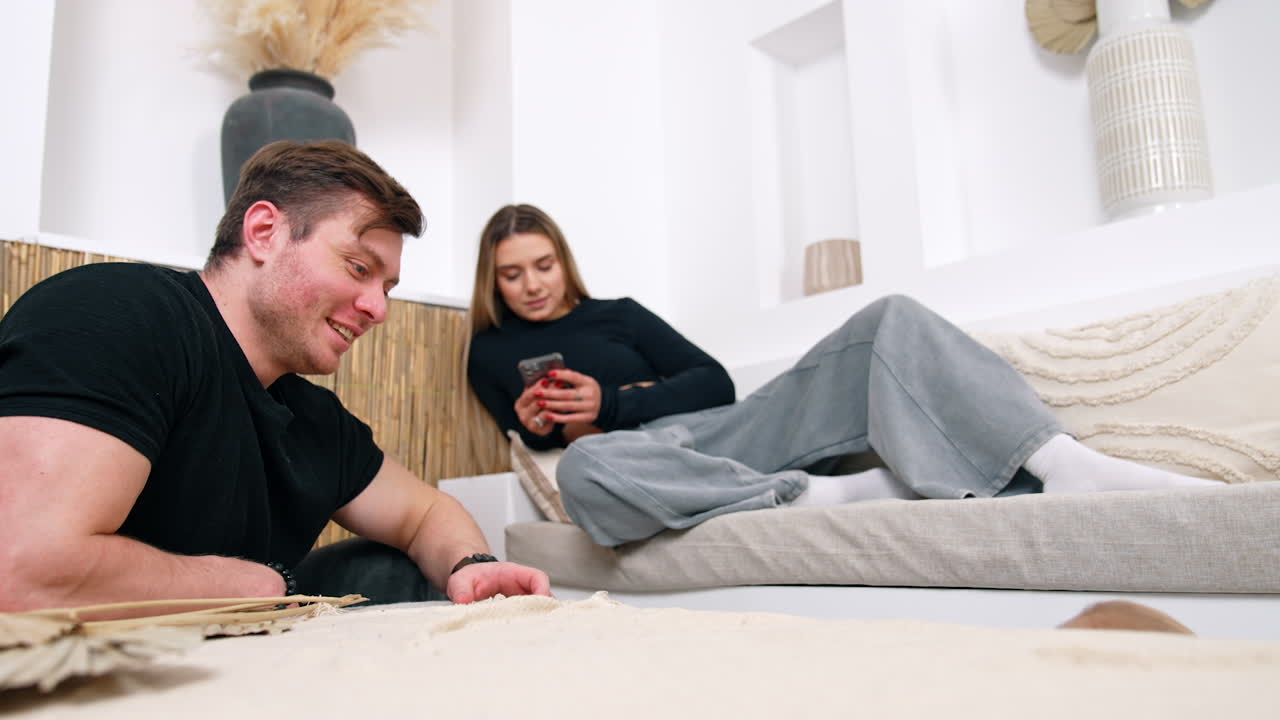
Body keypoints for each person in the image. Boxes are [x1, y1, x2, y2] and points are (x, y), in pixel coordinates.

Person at [0, 141, 550, 614]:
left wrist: (472, 565)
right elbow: (23, 570)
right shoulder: (116, 313)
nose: (378, 309)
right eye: (359, 268)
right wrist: (262, 585)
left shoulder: (315, 421)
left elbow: (427, 512)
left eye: (387, 288)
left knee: (401, 570)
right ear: (264, 232)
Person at [466, 204, 1221, 548]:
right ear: (492, 283)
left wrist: (618, 401)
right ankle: (831, 493)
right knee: (587, 470)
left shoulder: (619, 315)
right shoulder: (489, 355)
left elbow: (714, 382)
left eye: (543, 264)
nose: (531, 284)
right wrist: (555, 427)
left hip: (720, 431)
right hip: (641, 463)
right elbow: (533, 440)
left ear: (562, 260)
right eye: (512, 275)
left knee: (888, 315)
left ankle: (1066, 463)